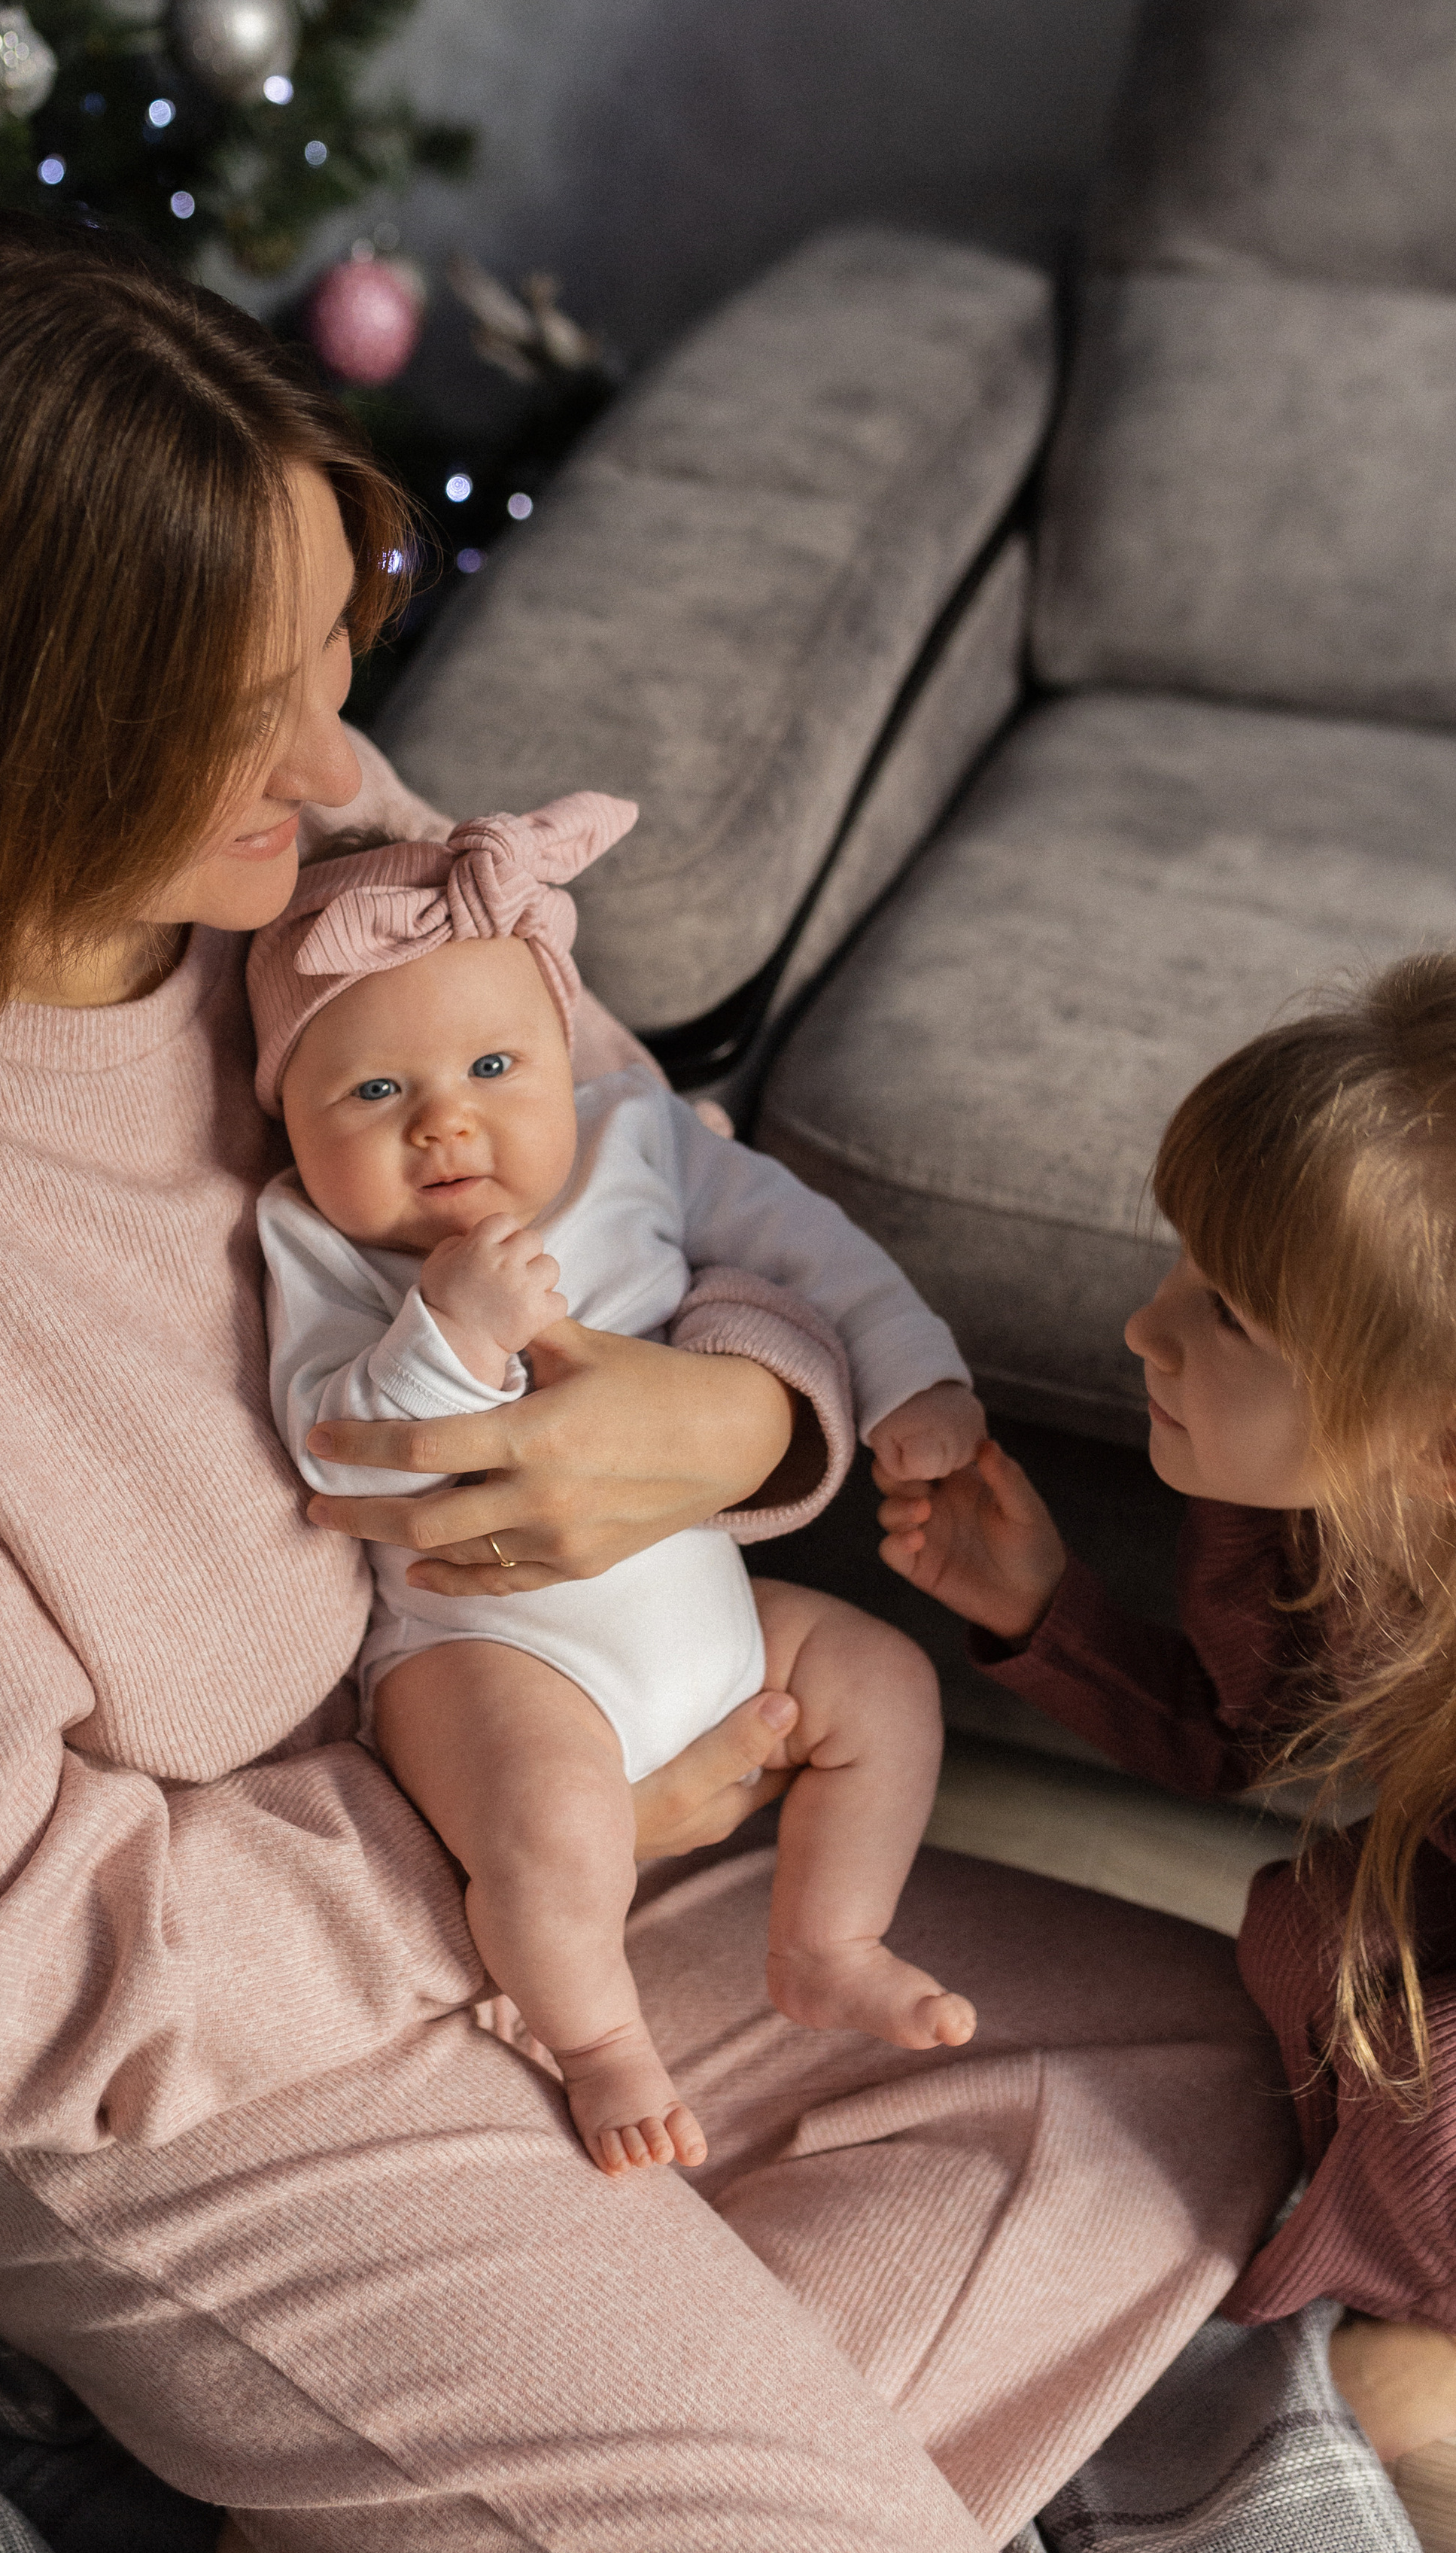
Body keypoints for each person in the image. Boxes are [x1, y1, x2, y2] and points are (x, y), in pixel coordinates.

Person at [0, 208, 1297, 2553]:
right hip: (215, 2094)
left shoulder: (313, 865)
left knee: (1226, 2057)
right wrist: (515, 1861)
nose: (325, 755)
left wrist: (737, 1428)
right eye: (226, 702)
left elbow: (668, 1199)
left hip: (607, 1871)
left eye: (321, 655)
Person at [251, 789, 984, 2175]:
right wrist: (447, 1333)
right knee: (550, 1830)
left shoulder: (636, 1142)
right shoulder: (315, 1246)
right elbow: (330, 1437)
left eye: (492, 1068)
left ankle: (828, 1940)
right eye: (373, 1092)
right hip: (485, 1647)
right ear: (287, 1119)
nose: (445, 1128)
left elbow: (811, 1248)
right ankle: (599, 2044)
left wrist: (911, 1379)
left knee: (886, 1683)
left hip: (706, 1608)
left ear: (560, 1056)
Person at [874, 959, 1456, 2507]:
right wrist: (1042, 1609)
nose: (1140, 1330)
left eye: (1221, 1314)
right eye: (1175, 1266)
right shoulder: (1314, 1512)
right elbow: (1240, 1728)